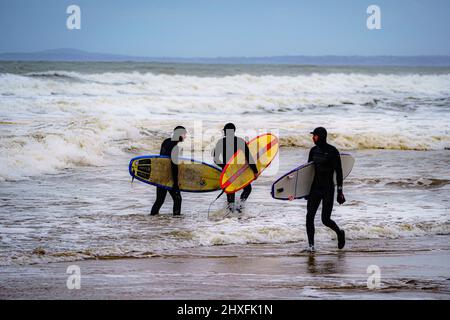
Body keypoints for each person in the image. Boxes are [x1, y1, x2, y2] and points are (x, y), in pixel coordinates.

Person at [305, 127, 346, 252]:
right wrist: (304, 191)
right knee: (309, 216)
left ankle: (340, 233)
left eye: (315, 135)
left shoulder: (333, 151)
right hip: (315, 188)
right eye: (313, 135)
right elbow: (308, 171)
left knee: (325, 219)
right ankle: (311, 246)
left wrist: (340, 192)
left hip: (328, 189)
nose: (313, 138)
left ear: (321, 136)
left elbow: (339, 173)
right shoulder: (313, 151)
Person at [213, 123, 258, 213]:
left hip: (228, 172)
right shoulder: (240, 141)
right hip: (239, 171)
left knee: (230, 192)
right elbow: (249, 158)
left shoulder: (220, 142)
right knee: (247, 189)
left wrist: (225, 166)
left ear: (225, 131)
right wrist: (255, 171)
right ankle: (240, 206)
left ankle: (230, 214)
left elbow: (216, 159)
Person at [150, 126, 187, 216]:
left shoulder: (166, 141)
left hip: (160, 175)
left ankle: (152, 218)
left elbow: (162, 160)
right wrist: (175, 183)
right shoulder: (175, 147)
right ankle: (176, 219)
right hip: (168, 177)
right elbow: (174, 166)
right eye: (184, 134)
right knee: (177, 199)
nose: (185, 136)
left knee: (159, 200)